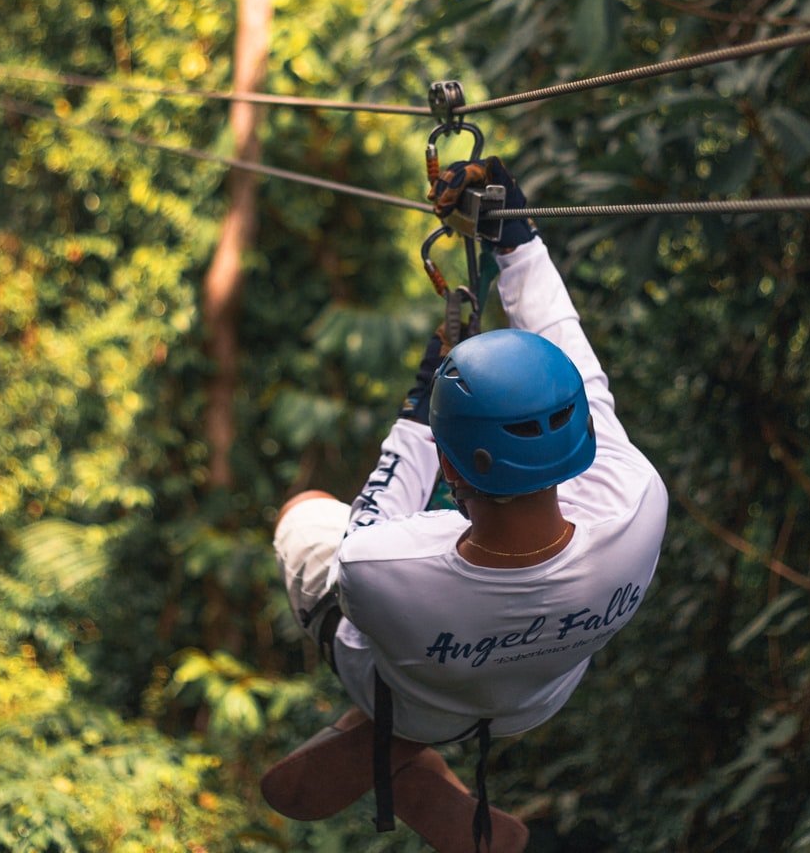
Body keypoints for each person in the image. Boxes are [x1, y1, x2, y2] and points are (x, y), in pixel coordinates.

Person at [261, 155, 670, 852]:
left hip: (412, 688)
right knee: (430, 646)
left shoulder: (385, 569)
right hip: (531, 700)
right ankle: (417, 751)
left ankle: (402, 738)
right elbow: (578, 363)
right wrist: (518, 240)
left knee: (305, 511)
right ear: (579, 440)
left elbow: (369, 527)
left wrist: (423, 404)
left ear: (452, 469)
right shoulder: (636, 502)